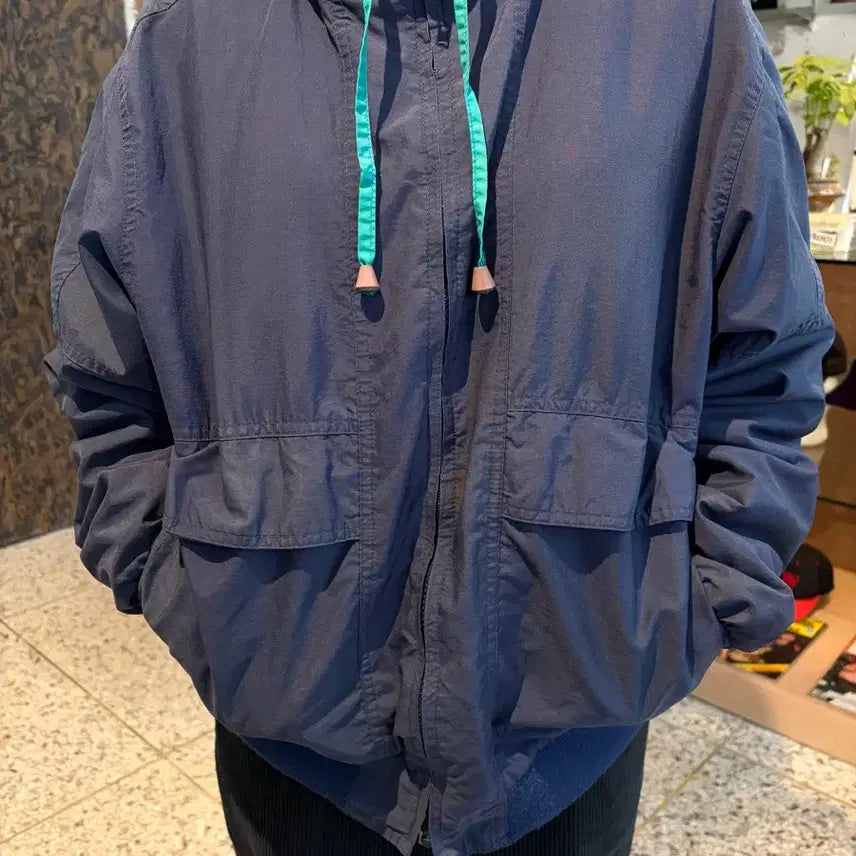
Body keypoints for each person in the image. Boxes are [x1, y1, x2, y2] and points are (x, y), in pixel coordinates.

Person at [46, 1, 832, 854]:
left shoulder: (687, 28)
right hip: (291, 747)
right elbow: (108, 373)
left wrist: (708, 595)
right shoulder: (190, 41)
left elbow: (765, 358)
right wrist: (181, 592)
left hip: (570, 743)